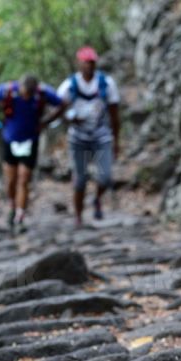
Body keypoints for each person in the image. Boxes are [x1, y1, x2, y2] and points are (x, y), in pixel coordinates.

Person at [0, 74, 64, 233]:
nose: (25, 97)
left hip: (30, 141)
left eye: (28, 95)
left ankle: (20, 217)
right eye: (23, 93)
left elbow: (63, 103)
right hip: (10, 140)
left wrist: (47, 121)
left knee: (23, 179)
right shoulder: (7, 90)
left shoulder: (43, 93)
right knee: (10, 181)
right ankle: (12, 205)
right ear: (20, 87)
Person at [58, 46, 120, 226]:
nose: (89, 66)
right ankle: (78, 217)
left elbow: (115, 115)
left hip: (101, 136)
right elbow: (58, 110)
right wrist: (70, 118)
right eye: (86, 62)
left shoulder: (107, 84)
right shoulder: (69, 86)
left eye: (92, 62)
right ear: (79, 63)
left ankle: (97, 199)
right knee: (80, 180)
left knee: (105, 177)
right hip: (78, 139)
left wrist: (117, 142)